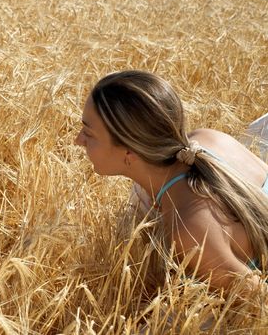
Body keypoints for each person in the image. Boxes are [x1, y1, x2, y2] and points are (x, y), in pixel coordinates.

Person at [74, 70, 268, 293]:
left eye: (89, 133)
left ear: (129, 152)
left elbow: (260, 304)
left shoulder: (188, 229)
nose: (78, 140)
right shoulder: (206, 138)